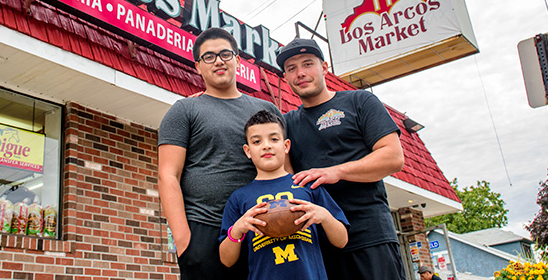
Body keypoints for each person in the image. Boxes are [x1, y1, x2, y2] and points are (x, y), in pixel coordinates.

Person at [276, 38, 407, 280]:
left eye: (307, 64)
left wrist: (336, 172)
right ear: (286, 77)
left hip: (369, 236)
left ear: (324, 68)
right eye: (291, 69)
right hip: (319, 244)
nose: (300, 73)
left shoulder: (360, 101)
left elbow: (393, 157)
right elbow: (284, 177)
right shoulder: (286, 124)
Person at [158, 27, 282, 280]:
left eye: (225, 54)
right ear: (197, 66)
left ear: (237, 60)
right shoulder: (184, 110)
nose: (218, 61)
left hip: (264, 226)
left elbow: (285, 167)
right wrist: (184, 242)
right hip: (206, 230)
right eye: (209, 56)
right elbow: (168, 175)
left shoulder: (266, 109)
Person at [219, 110, 349, 280]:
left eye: (274, 139)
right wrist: (237, 230)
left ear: (286, 146)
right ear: (247, 151)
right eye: (257, 141)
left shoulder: (307, 185)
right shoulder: (239, 198)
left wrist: (324, 215)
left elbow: (342, 241)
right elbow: (226, 260)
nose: (266, 145)